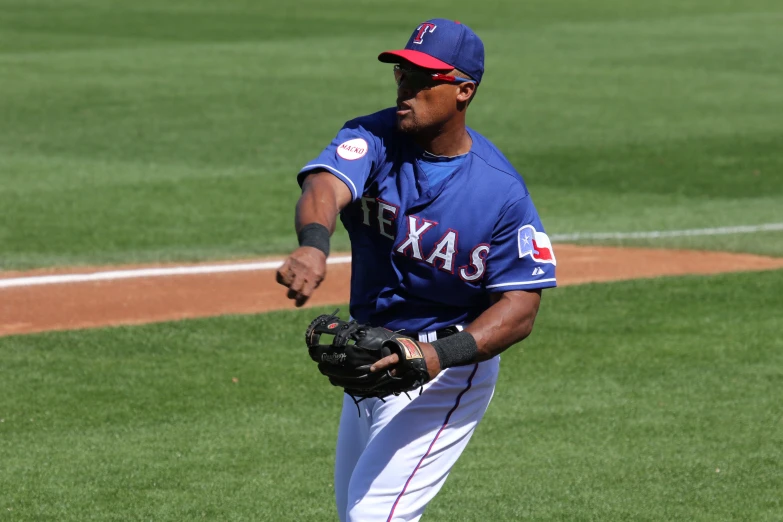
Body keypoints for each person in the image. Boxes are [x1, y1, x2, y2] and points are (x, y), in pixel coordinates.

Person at [276, 18, 557, 522]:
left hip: (449, 367)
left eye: (425, 78)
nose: (406, 86)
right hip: (374, 353)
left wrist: (436, 355)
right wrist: (315, 245)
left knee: (373, 518)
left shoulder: (501, 193)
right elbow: (324, 186)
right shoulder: (375, 136)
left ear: (463, 91)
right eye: (402, 73)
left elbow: (520, 308)